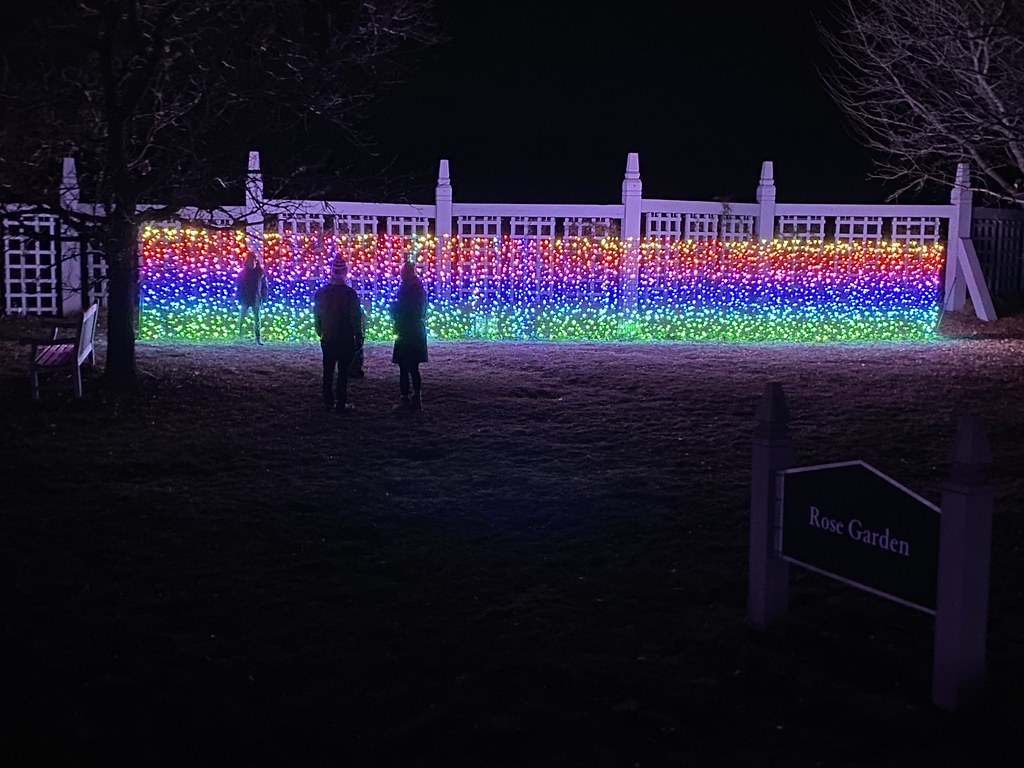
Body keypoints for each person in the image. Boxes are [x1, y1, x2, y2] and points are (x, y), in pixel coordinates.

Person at [314, 258, 364, 412]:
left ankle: (327, 399)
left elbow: (317, 315)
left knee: (328, 369)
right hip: (345, 337)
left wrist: (320, 330)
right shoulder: (350, 294)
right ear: (345, 272)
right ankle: (340, 402)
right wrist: (358, 333)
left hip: (328, 337)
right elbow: (355, 316)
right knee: (343, 372)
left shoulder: (321, 293)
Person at [390, 260, 428, 411]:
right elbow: (422, 311)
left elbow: (399, 311)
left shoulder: (404, 290)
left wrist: (394, 310)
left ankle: (405, 398)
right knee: (414, 367)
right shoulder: (420, 290)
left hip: (405, 330)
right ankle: (417, 397)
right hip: (417, 330)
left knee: (404, 367)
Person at [237, 253, 269, 344]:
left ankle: (257, 337)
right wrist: (239, 297)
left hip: (256, 298)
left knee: (256, 319)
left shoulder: (260, 272)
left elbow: (264, 286)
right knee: (243, 317)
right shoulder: (243, 272)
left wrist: (264, 296)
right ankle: (240, 336)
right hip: (246, 297)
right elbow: (239, 285)